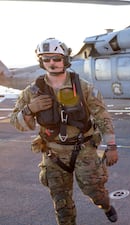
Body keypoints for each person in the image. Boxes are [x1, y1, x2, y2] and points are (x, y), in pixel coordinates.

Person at [9, 38, 119, 225]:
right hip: (53, 154)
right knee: (62, 205)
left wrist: (111, 146)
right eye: (46, 59)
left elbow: (102, 116)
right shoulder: (32, 92)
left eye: (56, 58)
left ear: (65, 59)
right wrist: (29, 109)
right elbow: (15, 121)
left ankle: (106, 206)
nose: (52, 63)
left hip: (83, 150)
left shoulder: (82, 86)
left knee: (96, 192)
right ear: (41, 62)